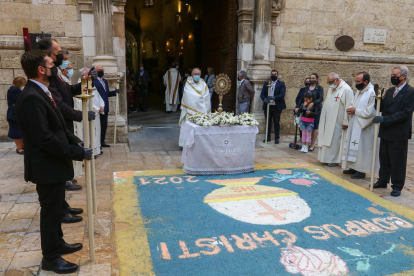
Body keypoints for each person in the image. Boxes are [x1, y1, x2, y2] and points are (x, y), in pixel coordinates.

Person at [15, 49, 93, 274]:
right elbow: (45, 138)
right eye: (51, 64)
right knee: (50, 213)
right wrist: (76, 153)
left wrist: (74, 140)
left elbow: (57, 124)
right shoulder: (31, 97)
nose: (55, 67)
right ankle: (50, 257)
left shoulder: (42, 91)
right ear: (41, 70)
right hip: (45, 166)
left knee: (57, 208)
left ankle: (57, 243)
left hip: (54, 165)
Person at [38, 38, 88, 223]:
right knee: (58, 167)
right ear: (49, 55)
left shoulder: (56, 72)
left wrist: (83, 83)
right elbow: (58, 103)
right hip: (59, 122)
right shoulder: (46, 76)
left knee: (62, 168)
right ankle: (60, 210)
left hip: (63, 124)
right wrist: (80, 115)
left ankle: (63, 206)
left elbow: (66, 92)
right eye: (58, 53)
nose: (61, 57)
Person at [373, 66, 414, 197]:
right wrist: (377, 98)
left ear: (403, 76)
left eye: (395, 75)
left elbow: (405, 113)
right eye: (392, 74)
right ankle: (383, 179)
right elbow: (382, 107)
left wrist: (384, 119)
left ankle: (397, 185)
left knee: (397, 160)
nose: (392, 77)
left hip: (399, 132)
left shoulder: (410, 92)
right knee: (384, 158)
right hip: (386, 131)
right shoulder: (391, 91)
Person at [342, 72, 379, 179]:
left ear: (366, 82)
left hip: (365, 126)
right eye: (356, 81)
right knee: (353, 145)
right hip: (355, 122)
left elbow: (372, 111)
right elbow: (353, 102)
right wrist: (351, 108)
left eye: (358, 81)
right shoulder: (360, 91)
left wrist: (355, 111)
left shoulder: (372, 92)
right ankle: (353, 167)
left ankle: (361, 170)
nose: (356, 83)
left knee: (363, 148)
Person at [318, 72, 354, 167]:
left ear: (337, 80)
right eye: (328, 82)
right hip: (328, 119)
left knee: (335, 140)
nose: (330, 84)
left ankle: (334, 159)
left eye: (331, 82)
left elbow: (349, 105)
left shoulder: (346, 89)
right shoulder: (332, 88)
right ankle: (325, 158)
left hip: (338, 121)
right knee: (327, 137)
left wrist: (346, 121)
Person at [179, 68, 210, 146]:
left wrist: (201, 98)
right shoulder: (188, 84)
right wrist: (200, 98)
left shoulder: (203, 83)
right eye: (195, 74)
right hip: (190, 112)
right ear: (192, 75)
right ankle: (186, 144)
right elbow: (188, 96)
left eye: (198, 74)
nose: (197, 76)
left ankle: (200, 144)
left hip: (202, 112)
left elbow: (206, 95)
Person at [78, 68, 105, 157]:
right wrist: (97, 109)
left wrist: (102, 106)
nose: (92, 75)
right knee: (90, 132)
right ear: (84, 75)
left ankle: (96, 149)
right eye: (89, 73)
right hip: (90, 112)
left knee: (96, 132)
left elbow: (98, 96)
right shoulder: (81, 85)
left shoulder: (91, 84)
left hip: (96, 113)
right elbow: (86, 101)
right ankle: (91, 150)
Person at [295, 73, 324, 151]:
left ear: (317, 79)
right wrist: (298, 107)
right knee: (305, 127)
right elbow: (301, 98)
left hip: (315, 110)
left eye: (313, 78)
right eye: (310, 78)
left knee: (315, 126)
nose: (311, 79)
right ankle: (305, 143)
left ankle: (312, 144)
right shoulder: (306, 88)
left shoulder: (320, 88)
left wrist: (313, 103)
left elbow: (321, 98)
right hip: (306, 110)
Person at [93, 65, 119, 147]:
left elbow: (106, 93)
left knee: (104, 125)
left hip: (105, 107)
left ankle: (102, 141)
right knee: (98, 125)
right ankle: (97, 143)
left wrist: (115, 92)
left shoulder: (105, 81)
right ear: (95, 71)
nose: (101, 71)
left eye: (102, 70)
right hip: (98, 107)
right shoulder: (93, 81)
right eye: (99, 70)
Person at [260, 70, 286, 144]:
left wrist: (273, 98)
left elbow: (282, 94)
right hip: (268, 106)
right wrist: (265, 99)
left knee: (276, 122)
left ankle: (276, 138)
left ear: (277, 75)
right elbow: (262, 94)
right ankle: (267, 137)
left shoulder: (281, 84)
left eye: (275, 74)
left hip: (276, 106)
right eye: (272, 74)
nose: (273, 75)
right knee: (267, 122)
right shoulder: (266, 84)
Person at [7, 77, 26, 155]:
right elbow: (19, 100)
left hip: (18, 114)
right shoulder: (14, 91)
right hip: (14, 115)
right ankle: (19, 148)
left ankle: (23, 147)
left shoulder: (17, 90)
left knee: (21, 132)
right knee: (17, 133)